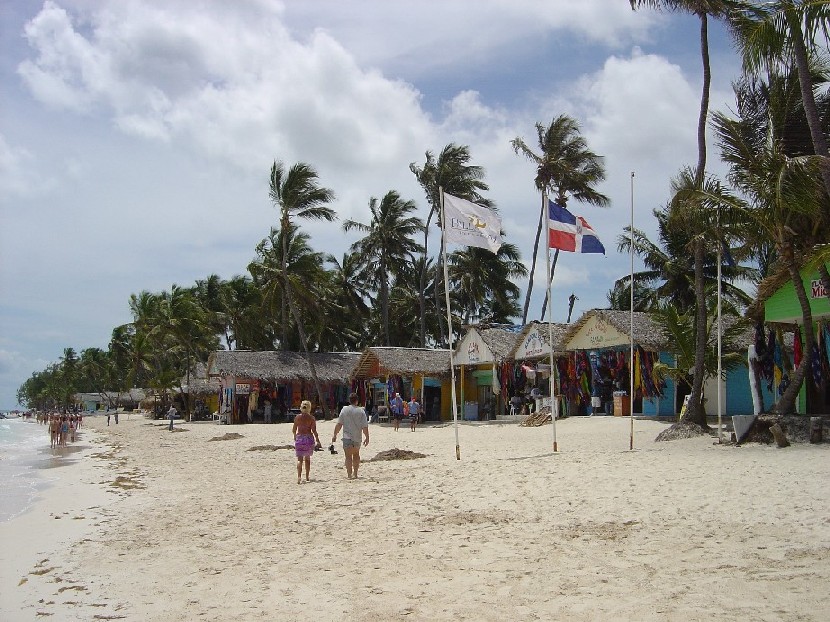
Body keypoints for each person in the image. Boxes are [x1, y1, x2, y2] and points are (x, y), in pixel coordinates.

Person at [331, 392, 369, 480]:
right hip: (357, 437)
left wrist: (335, 435)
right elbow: (364, 426)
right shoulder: (361, 411)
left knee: (348, 456)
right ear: (357, 401)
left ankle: (349, 474)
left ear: (349, 400)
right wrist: (367, 437)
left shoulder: (344, 410)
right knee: (356, 454)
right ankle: (355, 474)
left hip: (347, 437)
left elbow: (339, 424)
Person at [293, 400, 321, 484]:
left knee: (299, 459)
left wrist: (295, 437)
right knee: (307, 459)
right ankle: (307, 476)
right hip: (308, 438)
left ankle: (299, 476)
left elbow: (294, 429)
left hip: (299, 438)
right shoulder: (311, 418)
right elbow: (314, 431)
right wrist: (318, 440)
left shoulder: (297, 417)